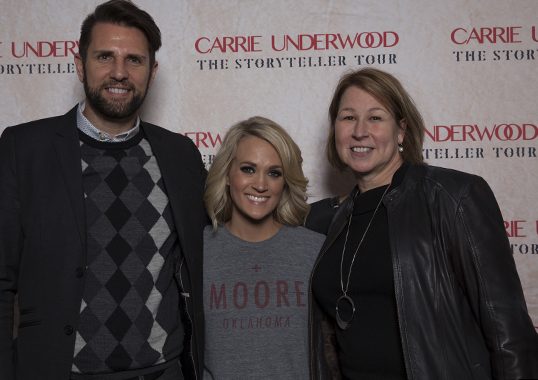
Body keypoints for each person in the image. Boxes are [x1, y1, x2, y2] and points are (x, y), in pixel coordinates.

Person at [0, 1, 208, 379]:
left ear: (152, 71)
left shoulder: (181, 155)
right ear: (80, 64)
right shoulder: (25, 149)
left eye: (134, 60)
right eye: (104, 57)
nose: (119, 72)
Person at [306, 67, 538, 380]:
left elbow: (507, 330)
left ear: (401, 130)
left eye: (376, 117)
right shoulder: (326, 221)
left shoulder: (452, 197)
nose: (360, 131)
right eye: (348, 117)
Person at [202, 117, 325, 380]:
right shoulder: (196, 252)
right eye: (248, 169)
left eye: (274, 173)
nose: (260, 184)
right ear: (226, 175)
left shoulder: (314, 251)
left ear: (285, 182)